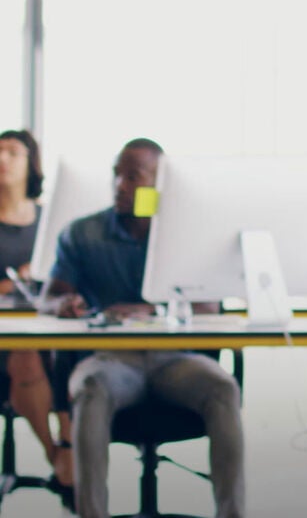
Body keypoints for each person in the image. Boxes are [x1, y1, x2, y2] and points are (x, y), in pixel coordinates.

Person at [39, 138, 244, 518]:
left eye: (133, 177)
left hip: (176, 360)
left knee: (223, 386)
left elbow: (210, 303)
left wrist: (154, 309)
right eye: (117, 174)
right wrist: (63, 304)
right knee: (89, 387)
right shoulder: (83, 234)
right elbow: (49, 296)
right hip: (111, 361)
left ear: (160, 183)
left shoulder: (187, 233)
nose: (120, 185)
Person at [0, 129, 73, 488]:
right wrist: (11, 286)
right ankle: (56, 454)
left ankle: (71, 445)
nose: (2, 160)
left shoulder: (51, 221)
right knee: (26, 353)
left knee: (73, 355)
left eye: (12, 153)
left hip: (49, 328)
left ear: (31, 164)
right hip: (7, 338)